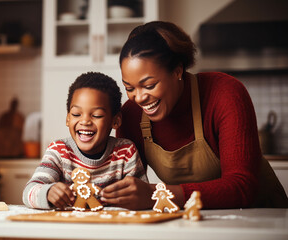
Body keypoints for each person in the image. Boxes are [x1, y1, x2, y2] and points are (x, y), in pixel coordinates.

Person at [100, 21, 288, 209]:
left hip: (263, 216)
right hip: (196, 220)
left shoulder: (224, 93)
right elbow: (123, 186)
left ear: (177, 71)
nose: (139, 98)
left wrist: (158, 194)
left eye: (149, 86)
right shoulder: (131, 114)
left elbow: (242, 187)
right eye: (129, 88)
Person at [23, 72, 148, 210]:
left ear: (115, 121)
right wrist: (47, 192)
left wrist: (131, 198)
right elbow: (29, 191)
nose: (85, 121)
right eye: (76, 114)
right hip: (69, 228)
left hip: (113, 227)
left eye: (96, 115)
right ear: (68, 119)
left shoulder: (125, 152)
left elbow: (142, 195)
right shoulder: (59, 151)